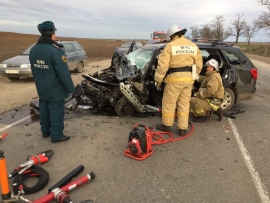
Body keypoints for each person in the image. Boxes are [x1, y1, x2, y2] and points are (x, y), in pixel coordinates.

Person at [29, 21, 75, 143]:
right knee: (56, 112)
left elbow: (35, 70)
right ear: (53, 34)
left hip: (41, 87)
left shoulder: (34, 49)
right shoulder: (56, 51)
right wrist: (71, 89)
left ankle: (45, 131)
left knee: (44, 110)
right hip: (55, 89)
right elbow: (63, 74)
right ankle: (56, 135)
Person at [154, 24, 203, 136]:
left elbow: (162, 66)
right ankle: (182, 129)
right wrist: (193, 77)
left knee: (169, 103)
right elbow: (199, 64)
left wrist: (158, 80)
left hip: (173, 80)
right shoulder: (193, 46)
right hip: (188, 81)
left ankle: (166, 126)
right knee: (184, 104)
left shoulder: (170, 46)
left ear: (172, 35)